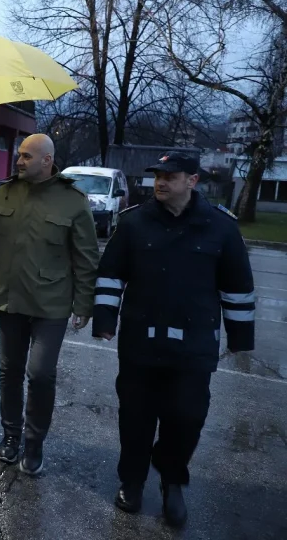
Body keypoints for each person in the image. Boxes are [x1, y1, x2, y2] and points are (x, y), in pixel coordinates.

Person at [92, 151, 255, 528]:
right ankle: (132, 481)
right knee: (135, 417)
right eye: (158, 176)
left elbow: (238, 287)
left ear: (192, 181)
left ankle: (172, 479)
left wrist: (239, 337)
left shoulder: (220, 227)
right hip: (141, 341)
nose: (160, 182)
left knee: (187, 417)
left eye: (170, 176)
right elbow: (111, 274)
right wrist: (105, 319)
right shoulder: (134, 222)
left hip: (193, 345)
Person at [0, 133, 99, 476]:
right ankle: (11, 434)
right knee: (9, 371)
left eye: (26, 156)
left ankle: (34, 443)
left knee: (40, 374)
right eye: (19, 155)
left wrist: (84, 304)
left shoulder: (72, 201)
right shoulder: (7, 191)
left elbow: (86, 257)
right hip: (10, 297)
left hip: (51, 302)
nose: (18, 161)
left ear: (47, 160)